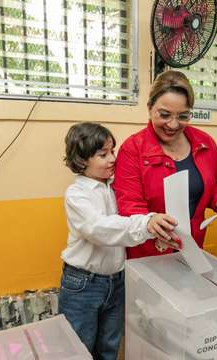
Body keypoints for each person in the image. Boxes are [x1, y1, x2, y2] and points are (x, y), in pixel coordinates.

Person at [58, 122, 179, 360]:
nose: (113, 158)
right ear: (82, 160)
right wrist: (145, 224)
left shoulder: (115, 188)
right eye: (103, 154)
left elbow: (130, 218)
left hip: (116, 281)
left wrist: (156, 228)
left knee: (109, 347)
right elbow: (100, 229)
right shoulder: (77, 194)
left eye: (112, 151)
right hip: (83, 284)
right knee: (78, 349)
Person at [113, 70, 217, 259]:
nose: (173, 124)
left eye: (183, 116)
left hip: (192, 249)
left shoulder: (205, 144)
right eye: (165, 114)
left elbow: (210, 184)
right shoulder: (133, 148)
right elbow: (129, 204)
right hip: (149, 253)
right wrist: (150, 221)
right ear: (150, 107)